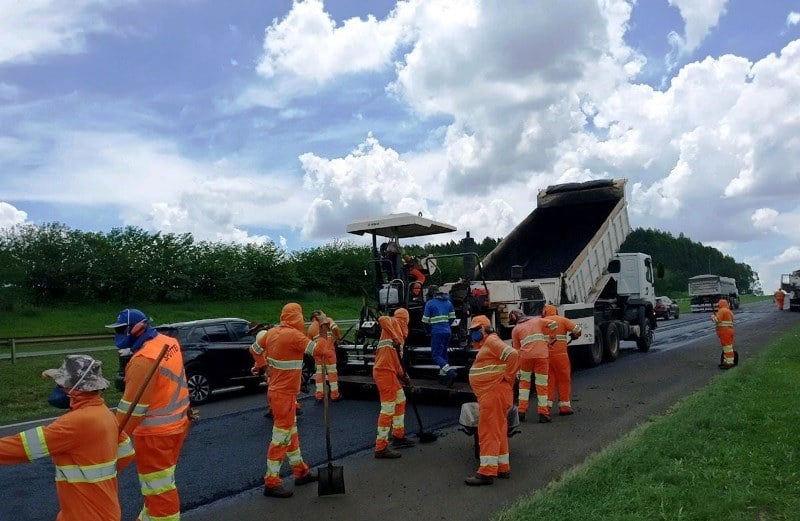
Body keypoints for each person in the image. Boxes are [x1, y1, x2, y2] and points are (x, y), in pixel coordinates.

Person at [0, 354, 134, 521]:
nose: (57, 387)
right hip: (103, 511)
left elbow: (21, 447)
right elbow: (126, 452)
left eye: (60, 383)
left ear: (76, 388)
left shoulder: (75, 423)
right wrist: (96, 479)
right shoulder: (105, 414)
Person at [107, 308, 190, 521]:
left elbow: (130, 410)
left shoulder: (143, 360)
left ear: (136, 329)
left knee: (159, 488)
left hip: (155, 435)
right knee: (161, 481)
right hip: (178, 423)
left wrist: (113, 438)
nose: (117, 334)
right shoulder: (168, 342)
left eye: (120, 330)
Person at [260, 303, 329, 498]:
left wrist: (263, 367)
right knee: (280, 438)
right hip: (284, 395)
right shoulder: (294, 336)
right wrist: (324, 325)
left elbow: (254, 349)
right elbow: (321, 350)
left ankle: (300, 471)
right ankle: (271, 482)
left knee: (291, 435)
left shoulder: (272, 332)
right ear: (297, 318)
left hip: (280, 393)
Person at [464, 315, 520, 486]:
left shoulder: (492, 341)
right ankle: (503, 468)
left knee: (487, 431)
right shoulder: (488, 344)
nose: (474, 334)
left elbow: (513, 355)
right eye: (472, 331)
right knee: (499, 430)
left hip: (493, 393)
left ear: (485, 329)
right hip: (494, 393)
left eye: (476, 330)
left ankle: (487, 472)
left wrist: (508, 378)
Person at [373, 307, 416, 459]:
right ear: (406, 319)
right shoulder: (394, 322)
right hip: (384, 372)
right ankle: (381, 447)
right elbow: (382, 319)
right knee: (388, 408)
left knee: (400, 400)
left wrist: (403, 374)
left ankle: (398, 436)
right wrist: (394, 336)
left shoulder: (401, 335)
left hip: (389, 372)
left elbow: (396, 359)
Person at [509, 309, 557, 423]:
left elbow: (516, 350)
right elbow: (554, 323)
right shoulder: (537, 321)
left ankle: (521, 412)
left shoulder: (516, 329)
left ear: (514, 319)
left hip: (525, 358)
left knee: (524, 385)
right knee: (541, 385)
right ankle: (543, 414)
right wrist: (551, 338)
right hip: (541, 356)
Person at [542, 304, 582, 417]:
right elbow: (578, 330)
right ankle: (564, 407)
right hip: (561, 355)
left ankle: (546, 408)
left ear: (544, 312)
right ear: (556, 311)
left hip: (546, 356)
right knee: (564, 379)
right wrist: (575, 335)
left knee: (548, 381)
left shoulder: (541, 322)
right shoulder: (562, 320)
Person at [422, 286, 457, 387]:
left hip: (437, 332)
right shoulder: (448, 302)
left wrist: (429, 330)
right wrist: (446, 326)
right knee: (443, 353)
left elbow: (425, 320)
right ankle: (443, 377)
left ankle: (449, 371)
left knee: (436, 355)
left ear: (431, 294)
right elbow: (452, 317)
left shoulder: (430, 303)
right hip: (447, 331)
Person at [308, 310, 342, 402]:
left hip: (318, 353)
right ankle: (335, 395)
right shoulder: (328, 320)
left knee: (319, 374)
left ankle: (319, 395)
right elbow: (335, 328)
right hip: (329, 352)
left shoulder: (311, 327)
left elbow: (309, 343)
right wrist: (338, 337)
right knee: (332, 374)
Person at [711, 298, 735, 369]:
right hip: (730, 331)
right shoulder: (729, 311)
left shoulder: (722, 311)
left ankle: (729, 362)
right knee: (728, 347)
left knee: (727, 348)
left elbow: (717, 320)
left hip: (724, 332)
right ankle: (726, 361)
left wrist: (713, 317)